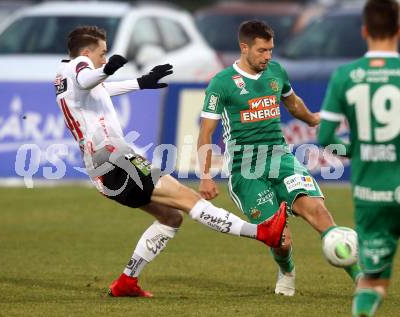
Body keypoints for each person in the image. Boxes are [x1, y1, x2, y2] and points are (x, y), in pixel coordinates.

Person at [54, 25, 288, 298]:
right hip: (116, 159)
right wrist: (107, 70)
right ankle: (263, 233)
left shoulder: (64, 75)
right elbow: (89, 79)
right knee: (185, 197)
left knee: (170, 217)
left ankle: (127, 282)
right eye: (102, 53)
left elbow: (96, 88)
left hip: (105, 167)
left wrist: (140, 82)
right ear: (85, 53)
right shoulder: (81, 67)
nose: (105, 58)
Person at [197, 20, 362, 297]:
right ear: (244, 47)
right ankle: (287, 270)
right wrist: (205, 175)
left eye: (271, 50)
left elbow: (292, 101)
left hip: (281, 157)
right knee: (280, 239)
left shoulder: (276, 72)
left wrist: (312, 118)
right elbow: (206, 133)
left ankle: (359, 278)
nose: (268, 56)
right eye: (262, 51)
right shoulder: (222, 83)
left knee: (319, 213)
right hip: (245, 169)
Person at [318, 0, 399, 315]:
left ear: (365, 31)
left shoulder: (345, 75)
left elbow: (325, 139)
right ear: (398, 30)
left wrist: (353, 150)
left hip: (371, 195)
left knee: (373, 281)